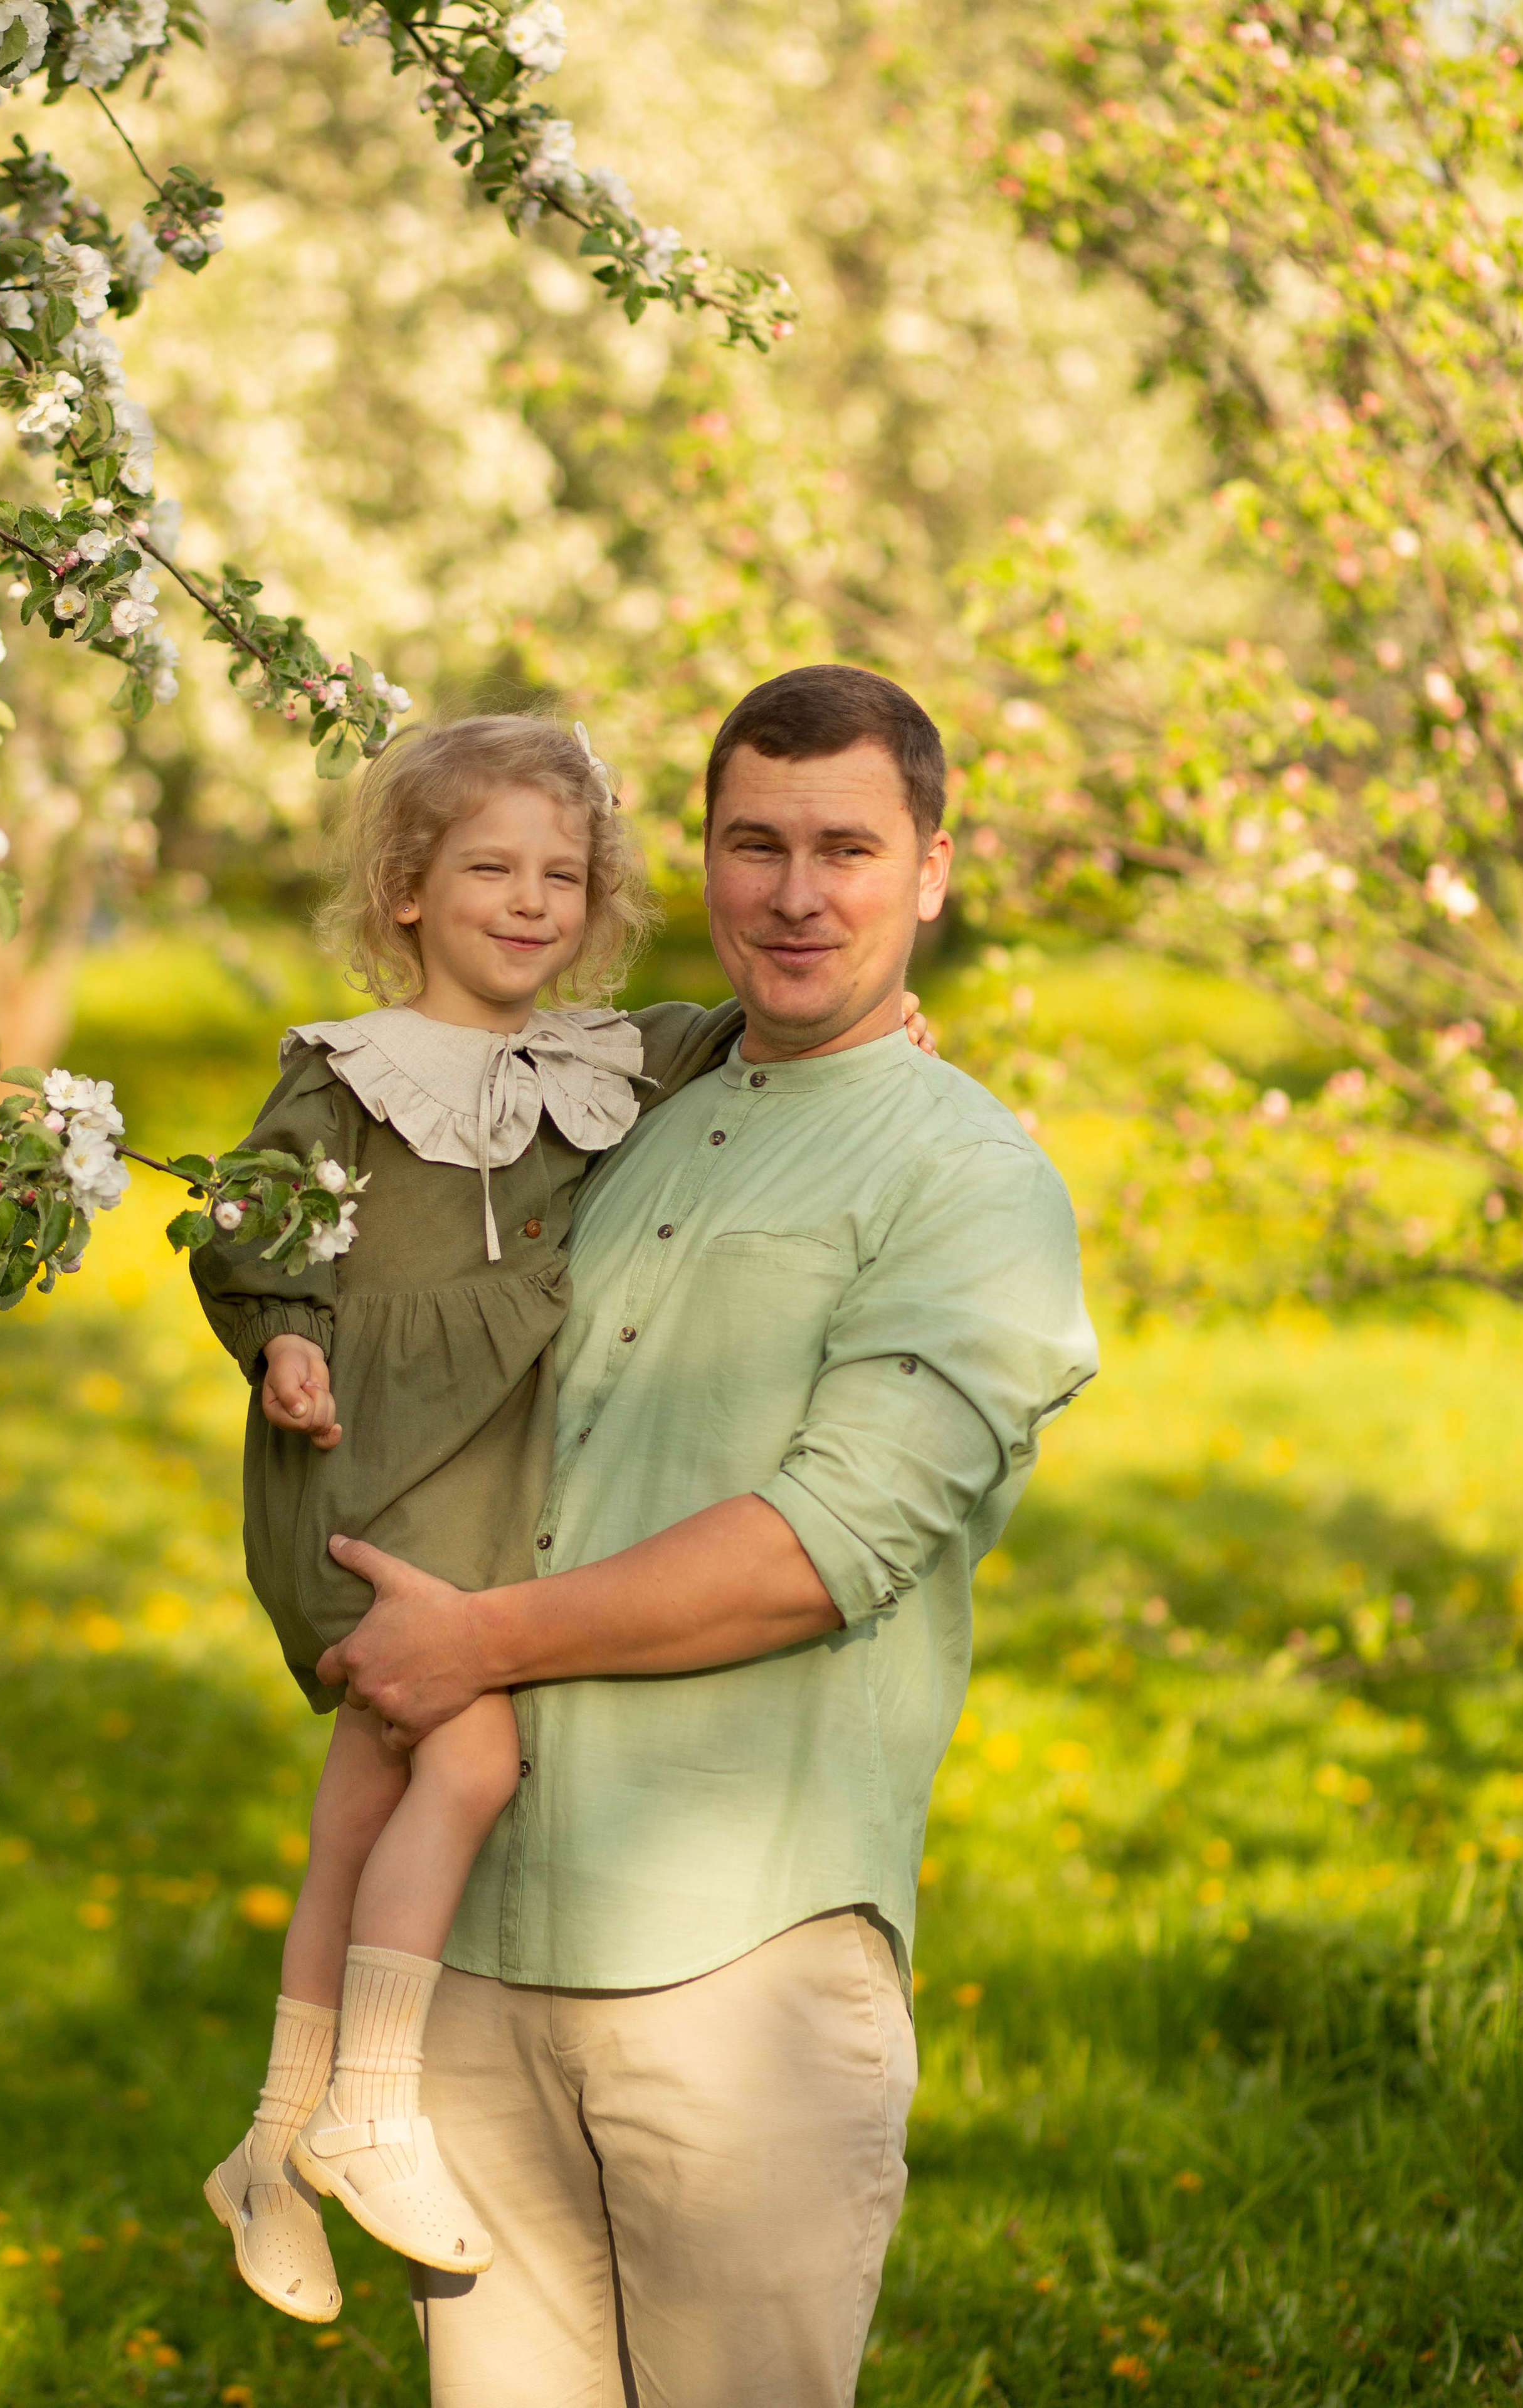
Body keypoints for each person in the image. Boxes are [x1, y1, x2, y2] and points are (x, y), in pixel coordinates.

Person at [319, 663, 1100, 2408]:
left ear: (935, 870)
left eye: (847, 848)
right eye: (756, 845)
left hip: (733, 1970)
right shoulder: (616, 1109)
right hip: (478, 1943)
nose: (798, 895)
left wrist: (474, 1644)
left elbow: (824, 1546)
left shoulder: (970, 1183)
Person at [189, 712, 932, 2323]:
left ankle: (268, 2132)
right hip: (370, 1466)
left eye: (562, 876)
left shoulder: (609, 1056)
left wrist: (896, 1029)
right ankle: (374, 2102)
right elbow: (247, 1214)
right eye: (488, 872)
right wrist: (287, 1334)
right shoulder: (346, 1069)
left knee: (358, 1801)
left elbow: (734, 1038)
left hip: (484, 1472)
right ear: (403, 887)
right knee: (467, 1750)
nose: (529, 904)